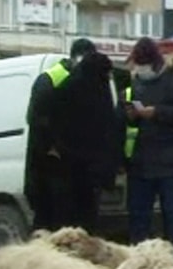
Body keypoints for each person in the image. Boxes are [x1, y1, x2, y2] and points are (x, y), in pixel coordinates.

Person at [124, 37, 173, 246]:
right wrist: (131, 115)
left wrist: (156, 112)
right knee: (138, 215)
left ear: (155, 62)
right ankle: (138, 256)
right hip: (141, 161)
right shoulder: (135, 80)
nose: (141, 69)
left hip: (171, 161)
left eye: (144, 64)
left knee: (172, 213)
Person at [24, 38, 97, 232]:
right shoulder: (50, 79)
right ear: (78, 58)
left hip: (77, 168)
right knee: (54, 224)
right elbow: (36, 118)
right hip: (52, 168)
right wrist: (55, 147)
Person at [51, 49, 122, 232]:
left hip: (72, 165)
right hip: (82, 168)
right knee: (84, 216)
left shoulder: (69, 88)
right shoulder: (94, 89)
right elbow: (107, 129)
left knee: (76, 217)